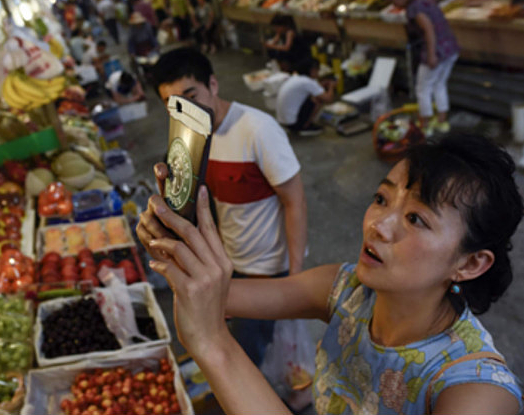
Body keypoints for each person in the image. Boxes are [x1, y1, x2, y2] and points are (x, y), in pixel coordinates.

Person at [138, 133, 524, 414]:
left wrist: (213, 344)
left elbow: (211, 321)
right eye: (381, 199)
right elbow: (216, 293)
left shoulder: (476, 393)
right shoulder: (347, 290)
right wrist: (175, 244)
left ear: (470, 263)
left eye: (415, 219)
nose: (378, 225)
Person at [140, 47, 308, 368]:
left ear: (213, 85)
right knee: (229, 341)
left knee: (244, 355)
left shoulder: (258, 130)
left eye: (192, 96)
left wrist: (295, 279)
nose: (187, 109)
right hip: (229, 264)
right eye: (174, 104)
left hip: (267, 269)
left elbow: (295, 200)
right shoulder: (190, 141)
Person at [387, 0, 459, 136]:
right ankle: (441, 121)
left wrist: (432, 55)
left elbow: (429, 30)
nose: (393, 5)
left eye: (393, 0)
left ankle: (425, 125)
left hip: (437, 51)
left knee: (423, 89)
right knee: (439, 84)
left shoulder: (414, 8)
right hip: (450, 48)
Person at [276, 57, 336, 137]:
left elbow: (314, 89)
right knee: (318, 100)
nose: (318, 72)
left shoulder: (296, 77)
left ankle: (302, 124)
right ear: (312, 70)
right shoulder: (308, 82)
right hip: (293, 124)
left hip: (283, 121)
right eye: (317, 70)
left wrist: (322, 84)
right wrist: (331, 86)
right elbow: (328, 99)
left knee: (313, 96)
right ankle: (305, 127)